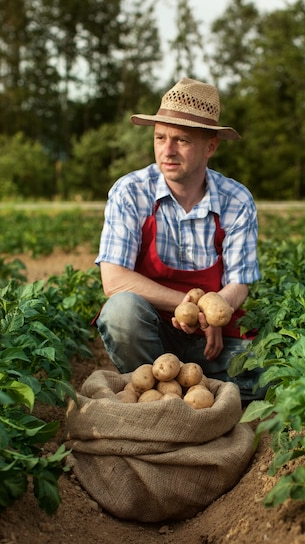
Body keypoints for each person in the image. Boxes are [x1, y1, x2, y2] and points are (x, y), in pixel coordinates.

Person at [94, 77, 264, 401]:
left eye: (181, 140)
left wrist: (218, 310)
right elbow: (113, 280)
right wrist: (194, 308)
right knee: (121, 312)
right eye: (160, 138)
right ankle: (157, 391)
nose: (167, 150)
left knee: (268, 371)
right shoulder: (130, 192)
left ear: (210, 146)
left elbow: (239, 283)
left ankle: (190, 392)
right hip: (152, 337)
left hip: (213, 341)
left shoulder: (237, 200)